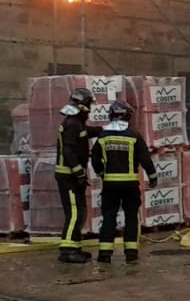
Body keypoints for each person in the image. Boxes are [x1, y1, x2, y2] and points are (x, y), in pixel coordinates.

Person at [89, 98, 158, 265]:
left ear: (111, 115)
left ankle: (105, 254)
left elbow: (95, 160)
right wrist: (153, 178)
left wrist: (101, 173)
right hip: (130, 185)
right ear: (128, 116)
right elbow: (146, 159)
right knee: (131, 218)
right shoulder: (134, 136)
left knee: (109, 218)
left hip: (110, 185)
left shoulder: (103, 136)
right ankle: (131, 254)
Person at [55, 88, 95, 264]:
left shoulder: (76, 123)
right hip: (68, 176)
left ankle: (75, 246)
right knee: (74, 213)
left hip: (72, 175)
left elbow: (86, 133)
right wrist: (79, 172)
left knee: (80, 212)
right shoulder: (73, 124)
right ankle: (67, 250)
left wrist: (105, 130)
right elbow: (69, 151)